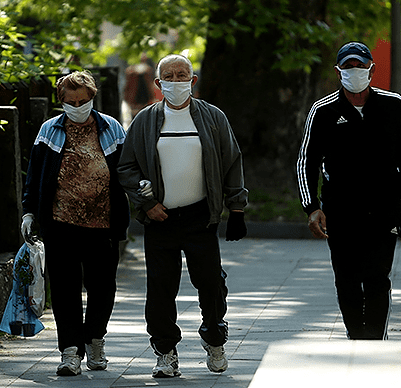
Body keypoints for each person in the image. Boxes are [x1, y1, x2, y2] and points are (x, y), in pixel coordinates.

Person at [117, 53, 248, 378]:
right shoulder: (145, 121)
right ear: (159, 83)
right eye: (169, 77)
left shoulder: (212, 117)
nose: (177, 82)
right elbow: (126, 167)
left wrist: (237, 209)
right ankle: (165, 352)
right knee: (161, 289)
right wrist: (147, 204)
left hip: (200, 217)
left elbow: (232, 161)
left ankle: (215, 340)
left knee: (211, 285)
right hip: (160, 219)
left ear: (193, 80)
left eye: (182, 75)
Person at [296, 41, 401, 340]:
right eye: (348, 67)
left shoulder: (392, 105)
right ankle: (356, 336)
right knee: (347, 280)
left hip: (384, 209)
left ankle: (374, 341)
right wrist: (312, 207)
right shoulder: (322, 111)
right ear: (338, 72)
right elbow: (306, 162)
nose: (354, 72)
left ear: (371, 69)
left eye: (360, 66)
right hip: (341, 211)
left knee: (378, 279)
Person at [20, 70, 131, 375]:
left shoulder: (111, 129)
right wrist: (29, 212)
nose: (78, 106)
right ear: (62, 102)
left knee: (103, 287)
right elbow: (35, 176)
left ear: (92, 98)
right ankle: (70, 351)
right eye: (71, 101)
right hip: (60, 223)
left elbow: (127, 171)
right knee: (65, 289)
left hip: (104, 224)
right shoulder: (50, 131)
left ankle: (95, 341)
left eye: (83, 101)